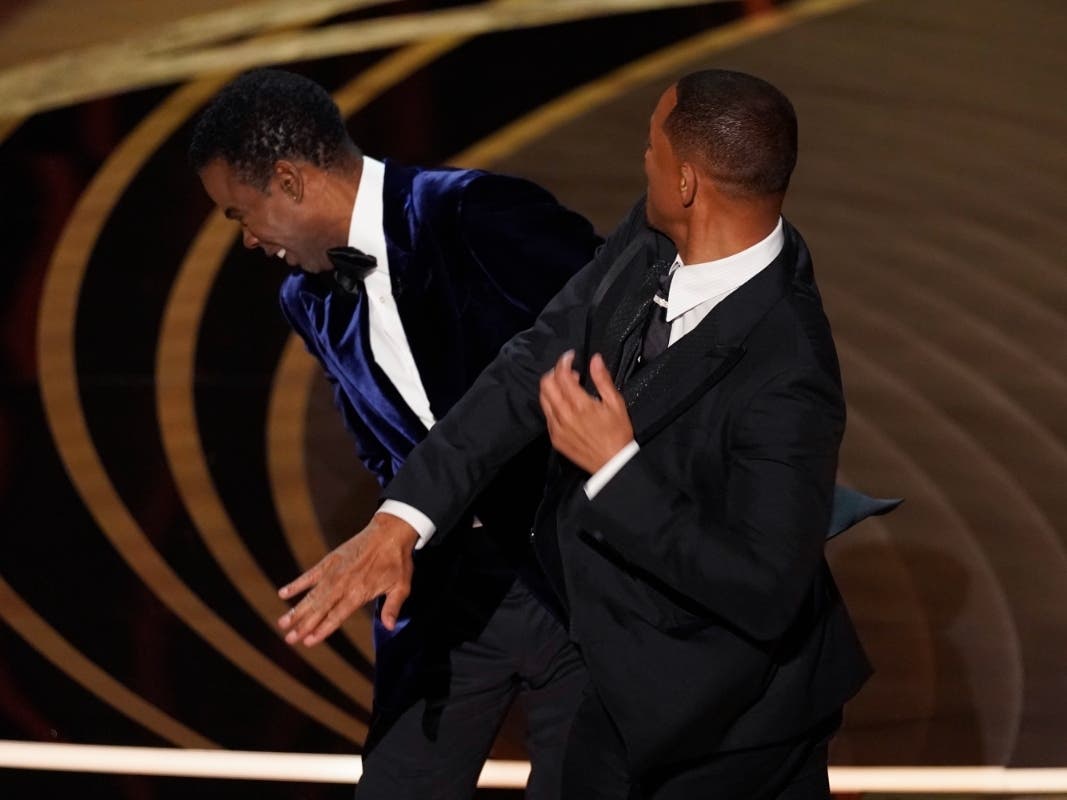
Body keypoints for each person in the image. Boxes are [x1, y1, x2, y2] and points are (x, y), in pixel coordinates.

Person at [278, 70, 878, 798]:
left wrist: (616, 467)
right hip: (615, 690)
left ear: (687, 182)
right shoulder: (653, 237)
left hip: (730, 731)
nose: (642, 159)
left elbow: (761, 588)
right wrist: (403, 520)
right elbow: (530, 361)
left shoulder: (789, 369)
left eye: (651, 146)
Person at [190, 68, 603, 800]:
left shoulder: (477, 212)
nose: (248, 240)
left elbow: (624, 347)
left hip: (575, 574)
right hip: (444, 585)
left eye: (238, 213)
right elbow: (380, 446)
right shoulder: (305, 300)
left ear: (288, 179)